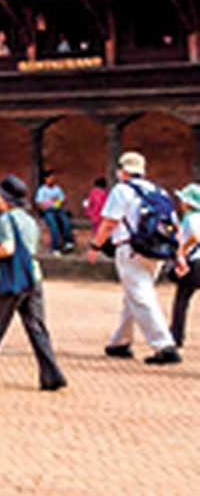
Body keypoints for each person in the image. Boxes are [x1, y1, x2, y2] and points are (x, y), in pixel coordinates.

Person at [0, 175, 67, 390]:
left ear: (5, 199)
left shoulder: (7, 219)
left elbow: (8, 249)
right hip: (32, 278)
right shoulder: (30, 221)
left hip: (11, 281)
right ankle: (51, 374)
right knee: (37, 328)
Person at [87, 151, 181, 365]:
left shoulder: (122, 190)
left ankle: (164, 346)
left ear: (122, 171)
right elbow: (173, 226)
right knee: (135, 295)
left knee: (141, 296)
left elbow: (110, 222)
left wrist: (95, 245)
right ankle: (120, 342)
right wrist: (177, 255)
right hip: (156, 250)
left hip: (131, 249)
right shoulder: (159, 191)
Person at [170, 183, 200, 349]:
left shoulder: (191, 217)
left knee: (182, 299)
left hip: (195, 262)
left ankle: (176, 335)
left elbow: (196, 236)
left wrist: (183, 249)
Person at [34, 169, 75, 255]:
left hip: (59, 210)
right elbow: (40, 204)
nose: (53, 179)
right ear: (46, 179)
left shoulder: (57, 189)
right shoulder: (42, 190)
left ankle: (69, 242)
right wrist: (53, 202)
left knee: (66, 222)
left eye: (53, 177)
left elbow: (63, 200)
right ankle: (55, 248)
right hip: (48, 212)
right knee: (54, 226)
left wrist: (51, 202)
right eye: (51, 177)